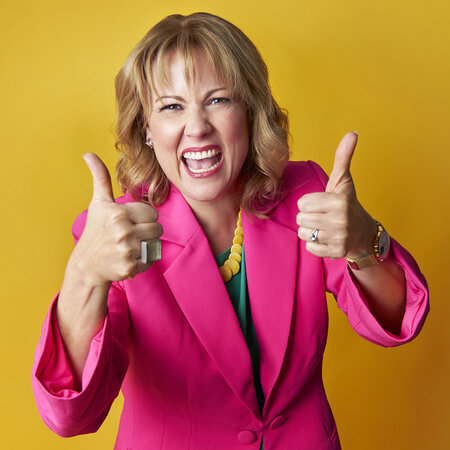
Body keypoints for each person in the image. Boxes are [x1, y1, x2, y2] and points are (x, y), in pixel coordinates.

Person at [31, 12, 429, 450]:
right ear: (146, 128)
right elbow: (71, 414)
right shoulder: (117, 234)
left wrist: (363, 239)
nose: (198, 127)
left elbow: (399, 320)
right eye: (171, 106)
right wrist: (84, 274)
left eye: (218, 100)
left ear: (250, 112)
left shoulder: (307, 192)